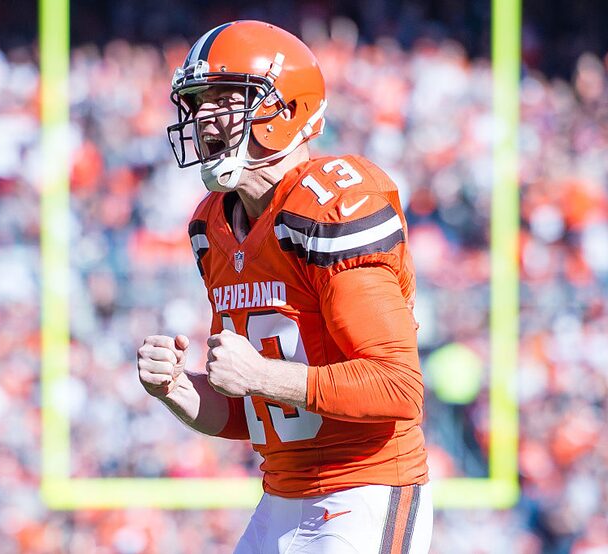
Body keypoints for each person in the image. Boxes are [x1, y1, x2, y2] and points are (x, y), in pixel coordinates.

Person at [137, 20, 432, 554]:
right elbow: (255, 414)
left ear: (285, 109)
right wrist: (180, 390)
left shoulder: (332, 205)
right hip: (278, 500)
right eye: (198, 101)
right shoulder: (213, 226)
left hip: (362, 491)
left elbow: (398, 388)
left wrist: (262, 373)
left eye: (227, 98)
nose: (204, 117)